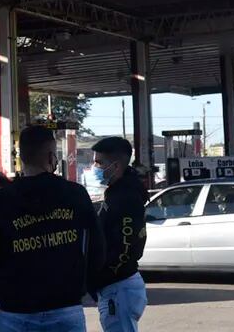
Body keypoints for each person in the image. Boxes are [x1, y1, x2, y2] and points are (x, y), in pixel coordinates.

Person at [0, 125, 105, 332]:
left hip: (16, 311)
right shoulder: (76, 195)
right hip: (66, 307)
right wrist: (81, 282)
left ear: (22, 158)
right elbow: (96, 248)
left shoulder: (0, 201)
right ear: (50, 157)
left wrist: (11, 282)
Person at [90, 137, 149, 332]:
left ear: (115, 166)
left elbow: (126, 246)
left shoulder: (126, 198)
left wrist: (101, 276)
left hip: (118, 288)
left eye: (99, 162)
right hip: (116, 287)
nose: (95, 167)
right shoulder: (117, 192)